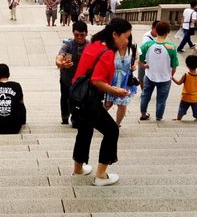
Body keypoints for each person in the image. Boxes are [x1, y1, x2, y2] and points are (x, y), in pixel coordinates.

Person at [71, 18, 132, 186]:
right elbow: (97, 80)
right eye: (126, 37)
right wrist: (115, 91)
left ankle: (78, 169)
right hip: (89, 99)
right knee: (112, 131)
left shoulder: (94, 43)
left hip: (77, 96)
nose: (127, 41)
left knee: (85, 130)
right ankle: (101, 175)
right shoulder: (107, 53)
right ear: (115, 34)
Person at [140, 21, 178, 121]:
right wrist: (170, 75)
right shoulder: (172, 47)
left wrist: (144, 66)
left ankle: (143, 114)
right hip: (165, 78)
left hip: (149, 75)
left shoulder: (147, 45)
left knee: (145, 96)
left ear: (156, 31)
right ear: (168, 32)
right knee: (161, 99)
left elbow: (139, 59)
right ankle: (159, 117)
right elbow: (174, 67)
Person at [55, 21, 88, 125]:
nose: (79, 37)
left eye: (82, 35)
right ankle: (65, 116)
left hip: (82, 80)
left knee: (79, 99)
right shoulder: (68, 45)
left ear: (86, 33)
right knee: (65, 97)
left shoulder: (90, 46)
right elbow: (59, 57)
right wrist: (61, 64)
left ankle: (76, 118)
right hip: (67, 78)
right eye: (76, 35)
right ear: (73, 33)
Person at [104, 36, 138, 127]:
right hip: (112, 79)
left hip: (125, 80)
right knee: (108, 103)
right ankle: (97, 120)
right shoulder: (110, 49)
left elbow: (137, 58)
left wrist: (134, 65)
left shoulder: (132, 49)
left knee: (122, 104)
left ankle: (117, 124)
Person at [173, 54, 197, 121]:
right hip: (196, 97)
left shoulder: (186, 75)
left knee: (182, 109)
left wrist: (172, 78)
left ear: (187, 65)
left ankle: (179, 118)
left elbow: (179, 83)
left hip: (186, 97)